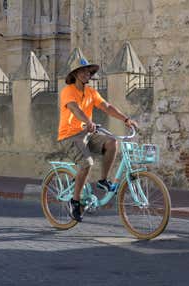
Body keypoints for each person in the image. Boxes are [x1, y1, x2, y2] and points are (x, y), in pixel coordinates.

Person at [58, 51, 139, 222]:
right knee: (87, 163)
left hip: (88, 134)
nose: (86, 74)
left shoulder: (91, 92)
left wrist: (126, 119)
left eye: (88, 71)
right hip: (70, 136)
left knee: (112, 142)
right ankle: (75, 201)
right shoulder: (68, 91)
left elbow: (107, 106)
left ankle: (103, 180)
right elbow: (74, 109)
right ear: (75, 74)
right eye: (82, 71)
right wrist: (88, 121)